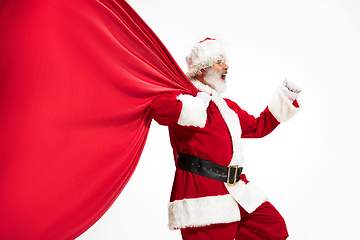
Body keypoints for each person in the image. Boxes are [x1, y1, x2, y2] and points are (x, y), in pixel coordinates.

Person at [150, 37, 301, 240]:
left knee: (272, 229)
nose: (226, 66)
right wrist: (197, 103)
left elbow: (258, 127)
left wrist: (286, 97)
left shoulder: (227, 107)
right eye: (220, 61)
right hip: (203, 196)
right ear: (203, 67)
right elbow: (158, 109)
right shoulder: (183, 98)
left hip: (237, 190)